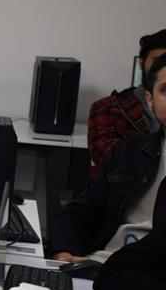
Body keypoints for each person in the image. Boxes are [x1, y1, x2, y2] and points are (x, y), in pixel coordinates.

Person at [50, 54, 166, 265]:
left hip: (151, 273)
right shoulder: (127, 151)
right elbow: (83, 210)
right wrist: (63, 252)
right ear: (150, 100)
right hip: (101, 264)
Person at [86, 29, 166, 176]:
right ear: (141, 63)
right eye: (158, 60)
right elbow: (107, 159)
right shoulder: (108, 108)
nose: (162, 68)